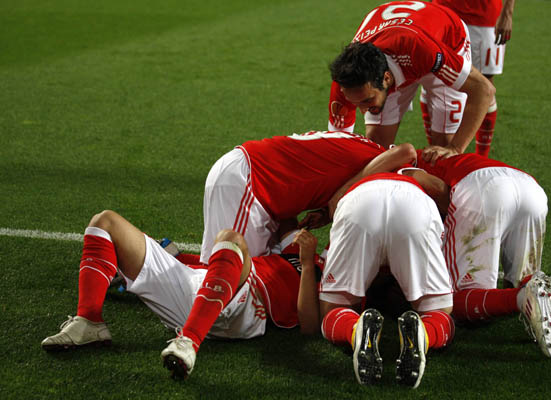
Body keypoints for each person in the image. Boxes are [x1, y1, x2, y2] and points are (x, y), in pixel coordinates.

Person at [41, 210, 324, 379]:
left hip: (244, 307)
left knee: (231, 239)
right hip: (202, 284)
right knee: (105, 222)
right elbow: (287, 215)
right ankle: (89, 321)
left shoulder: (333, 281)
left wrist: (310, 263)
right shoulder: (299, 249)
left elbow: (309, 324)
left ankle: (188, 342)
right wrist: (325, 209)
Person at [316, 169, 455, 389]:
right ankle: (424, 334)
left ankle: (355, 330)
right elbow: (440, 189)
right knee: (439, 313)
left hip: (358, 204)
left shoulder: (362, 173)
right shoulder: (413, 173)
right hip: (415, 205)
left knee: (332, 311)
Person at [415, 150, 551, 357]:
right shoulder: (435, 156)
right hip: (531, 188)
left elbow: (423, 182)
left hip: (483, 189)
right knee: (521, 283)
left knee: (449, 300)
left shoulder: (397, 157)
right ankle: (528, 295)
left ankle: (521, 298)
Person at [200, 130, 416, 264]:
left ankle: (171, 258)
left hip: (258, 186)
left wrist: (326, 210)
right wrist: (340, 195)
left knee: (255, 270)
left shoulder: (364, 150)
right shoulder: (392, 166)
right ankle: (166, 267)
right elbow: (406, 151)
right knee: (236, 278)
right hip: (249, 182)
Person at [327, 1, 495, 162]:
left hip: (445, 43)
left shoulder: (422, 50)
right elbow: (338, 148)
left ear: (387, 79)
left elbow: (484, 90)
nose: (363, 111)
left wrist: (456, 148)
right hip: (400, 48)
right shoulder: (345, 82)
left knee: (443, 150)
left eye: (367, 100)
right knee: (377, 149)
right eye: (355, 103)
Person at [433, 0, 517, 157]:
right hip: (443, 10)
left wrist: (507, 12)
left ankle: (481, 157)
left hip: (483, 17)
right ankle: (437, 155)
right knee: (436, 78)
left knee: (484, 84)